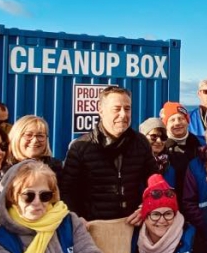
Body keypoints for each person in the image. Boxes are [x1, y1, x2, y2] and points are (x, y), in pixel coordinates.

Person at [61, 85, 157, 223]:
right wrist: (77, 220)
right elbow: (67, 192)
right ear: (101, 111)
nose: (123, 114)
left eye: (127, 108)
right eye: (116, 109)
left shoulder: (141, 143)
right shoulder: (81, 148)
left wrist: (146, 206)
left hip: (132, 225)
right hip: (92, 228)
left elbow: (154, 181)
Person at [7, 116, 65, 183]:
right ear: (16, 137)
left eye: (40, 136)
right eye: (28, 135)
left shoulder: (58, 168)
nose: (35, 140)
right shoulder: (3, 168)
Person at [140, 116, 187, 192]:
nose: (159, 141)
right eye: (153, 136)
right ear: (143, 137)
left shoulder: (173, 162)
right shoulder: (135, 162)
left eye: (163, 137)